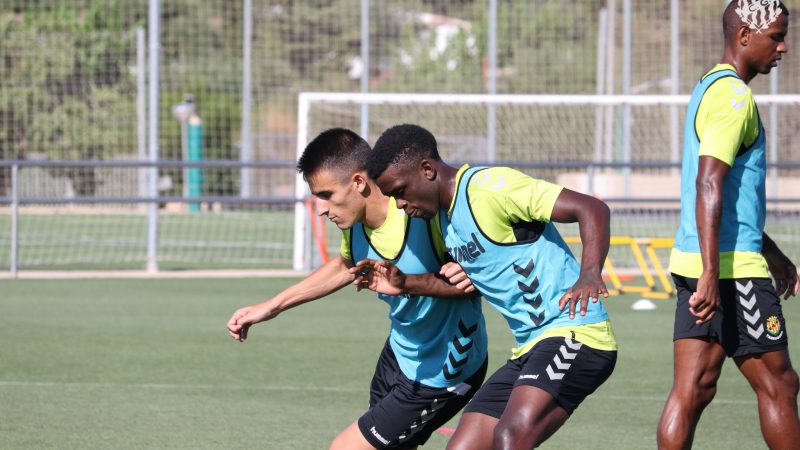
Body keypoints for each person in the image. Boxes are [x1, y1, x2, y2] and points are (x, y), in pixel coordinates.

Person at [226, 128, 488, 450]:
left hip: (444, 371)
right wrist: (270, 307)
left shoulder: (418, 210)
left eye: (326, 195)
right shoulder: (355, 225)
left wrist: (470, 269)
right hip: (400, 353)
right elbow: (343, 265)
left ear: (359, 183)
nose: (320, 209)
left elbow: (479, 274)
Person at [362, 124, 617, 450]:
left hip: (577, 333)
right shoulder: (443, 220)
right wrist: (405, 283)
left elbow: (591, 208)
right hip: (528, 349)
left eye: (400, 191)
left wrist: (590, 273)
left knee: (511, 438)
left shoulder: (490, 189)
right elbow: (467, 284)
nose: (399, 204)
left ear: (427, 170)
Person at [657, 2, 800, 449]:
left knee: (693, 389)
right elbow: (709, 182)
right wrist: (712, 273)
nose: (783, 47)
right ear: (743, 36)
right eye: (775, 36)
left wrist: (771, 252)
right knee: (780, 385)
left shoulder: (708, 85)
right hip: (729, 269)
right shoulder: (735, 97)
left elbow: (731, 193)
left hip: (699, 259)